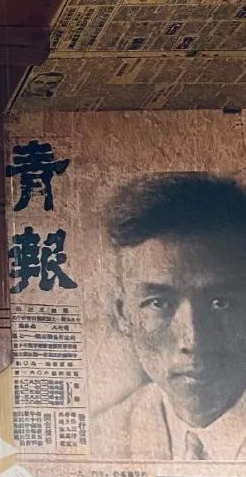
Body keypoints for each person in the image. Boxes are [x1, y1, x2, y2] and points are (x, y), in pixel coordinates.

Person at [92, 173, 246, 460]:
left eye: (220, 303)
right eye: (159, 303)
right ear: (123, 313)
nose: (192, 340)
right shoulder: (102, 437)